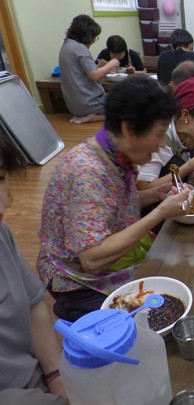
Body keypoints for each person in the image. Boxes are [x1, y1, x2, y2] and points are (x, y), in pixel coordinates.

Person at [37, 77, 193, 322]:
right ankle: (73, 308)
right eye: (159, 134)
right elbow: (91, 258)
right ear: (129, 129)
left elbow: (109, 207)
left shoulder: (112, 152)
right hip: (76, 279)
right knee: (154, 315)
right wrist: (159, 213)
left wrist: (154, 195)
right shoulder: (88, 171)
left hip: (102, 261)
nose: (162, 143)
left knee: (176, 272)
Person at [0, 136, 67, 404]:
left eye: (0, 178)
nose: (2, 202)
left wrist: (55, 376)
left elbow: (34, 304)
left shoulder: (1, 231)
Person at [137, 77, 194, 190]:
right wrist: (187, 168)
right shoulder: (160, 139)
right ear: (186, 115)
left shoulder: (185, 133)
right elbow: (143, 187)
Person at [59, 14, 120, 124]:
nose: (93, 41)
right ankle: (94, 117)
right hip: (90, 104)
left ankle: (85, 115)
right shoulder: (80, 48)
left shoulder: (65, 46)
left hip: (73, 107)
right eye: (93, 37)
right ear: (87, 35)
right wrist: (112, 63)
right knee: (128, 106)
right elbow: (95, 75)